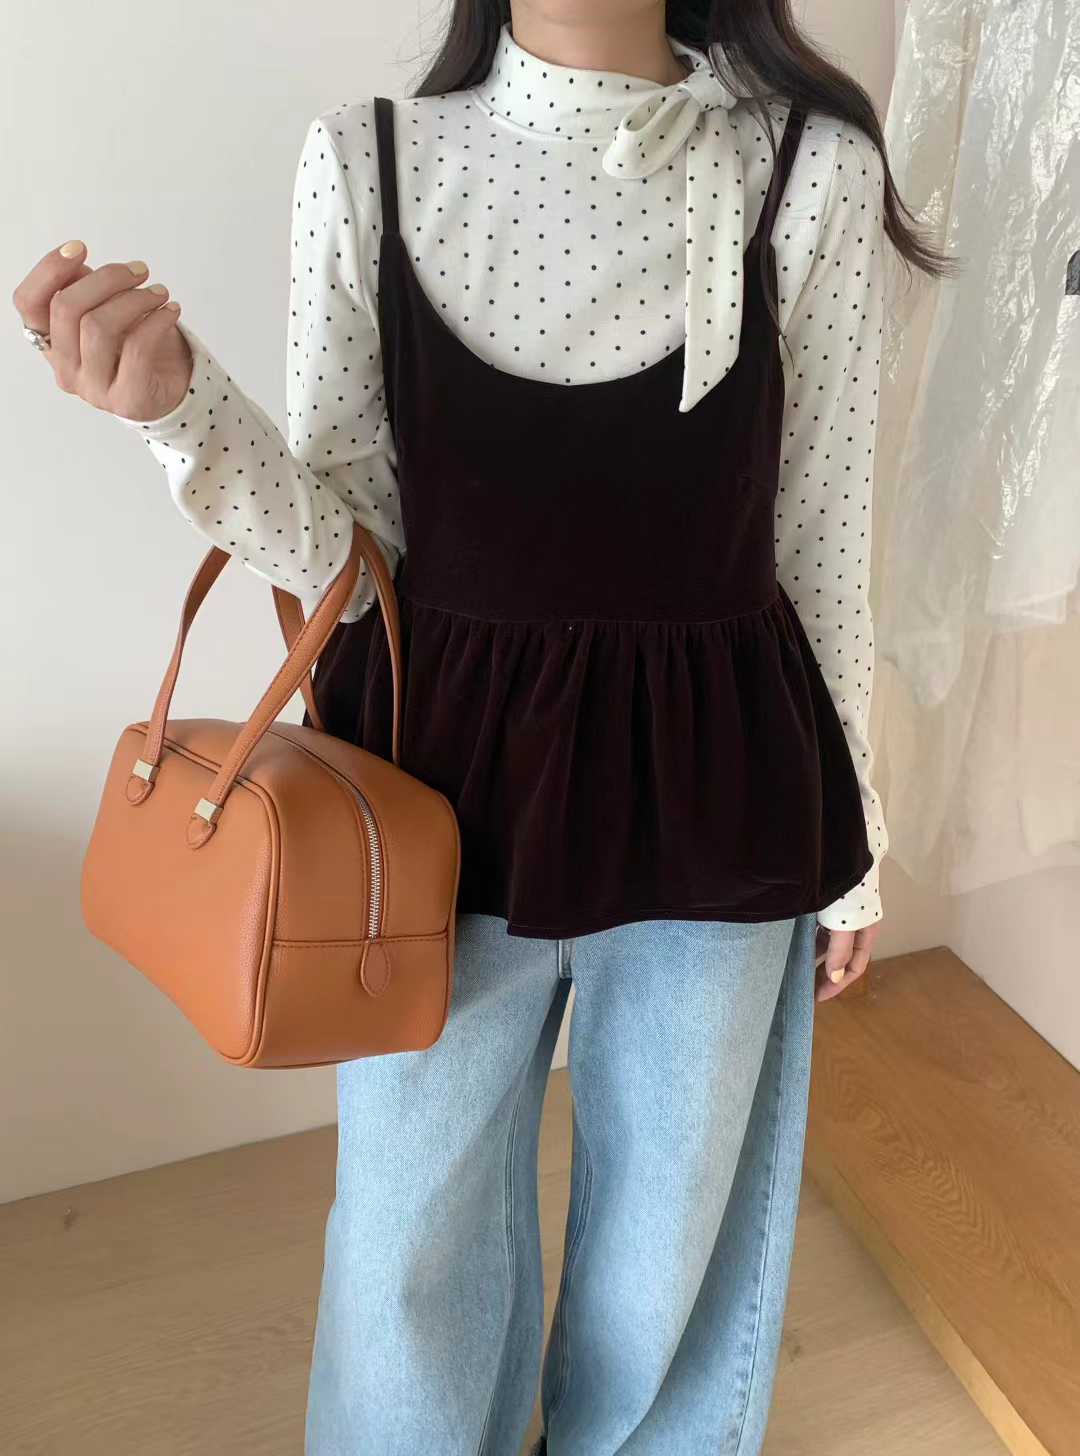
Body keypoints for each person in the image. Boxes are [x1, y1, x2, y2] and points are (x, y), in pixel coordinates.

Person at [13, 3, 953, 1451]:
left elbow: (822, 539)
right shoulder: (369, 162)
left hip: (722, 800)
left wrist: (855, 843)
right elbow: (351, 562)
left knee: (669, 1263)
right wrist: (182, 414)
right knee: (408, 1253)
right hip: (433, 817)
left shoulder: (804, 169)